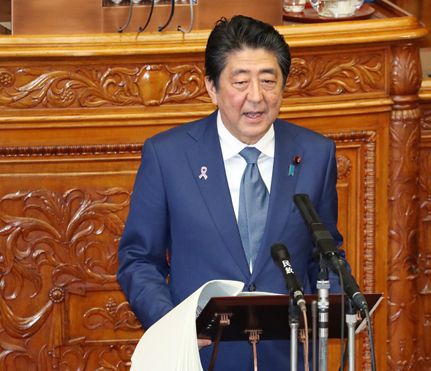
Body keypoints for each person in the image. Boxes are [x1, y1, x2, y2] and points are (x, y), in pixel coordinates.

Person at [117, 15, 343, 370]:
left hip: (289, 356)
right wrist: (172, 325)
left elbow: (325, 255)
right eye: (240, 82)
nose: (256, 97)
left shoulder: (315, 154)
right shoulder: (169, 156)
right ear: (211, 86)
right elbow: (138, 259)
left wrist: (331, 311)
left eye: (269, 81)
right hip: (198, 356)